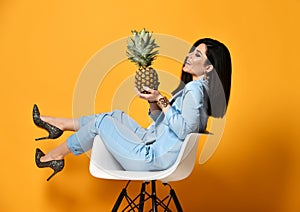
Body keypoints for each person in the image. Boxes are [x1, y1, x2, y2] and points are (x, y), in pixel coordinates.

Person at [33, 38, 232, 181]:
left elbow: (182, 130)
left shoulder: (194, 90)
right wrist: (153, 101)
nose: (189, 56)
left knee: (104, 123)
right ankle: (60, 125)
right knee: (116, 115)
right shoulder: (199, 91)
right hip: (153, 144)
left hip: (152, 160)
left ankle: (55, 156)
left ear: (208, 68)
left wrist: (161, 99)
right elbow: (165, 125)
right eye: (192, 51)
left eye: (197, 54)